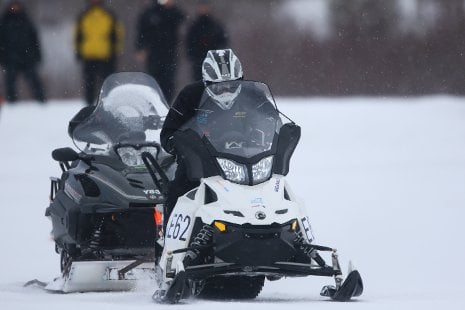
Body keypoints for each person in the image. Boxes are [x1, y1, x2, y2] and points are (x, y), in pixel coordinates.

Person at [160, 49, 243, 226]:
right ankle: (170, 239)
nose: (226, 91)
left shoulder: (252, 95)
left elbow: (269, 122)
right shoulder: (190, 95)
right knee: (178, 192)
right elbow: (168, 133)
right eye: (219, 87)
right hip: (199, 163)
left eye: (232, 85)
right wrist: (182, 146)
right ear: (207, 82)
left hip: (245, 163)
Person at [74, 0, 124, 105]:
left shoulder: (109, 15)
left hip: (107, 55)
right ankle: (89, 106)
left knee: (108, 84)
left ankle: (109, 105)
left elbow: (118, 34)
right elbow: (77, 35)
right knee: (89, 85)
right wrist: (78, 51)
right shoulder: (83, 16)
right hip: (89, 55)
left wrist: (115, 50)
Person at [135, 0, 184, 103]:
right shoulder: (150, 13)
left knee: (169, 82)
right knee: (154, 81)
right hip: (154, 54)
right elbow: (142, 32)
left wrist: (171, 7)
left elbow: (181, 17)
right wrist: (140, 48)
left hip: (170, 54)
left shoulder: (173, 12)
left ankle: (167, 104)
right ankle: (155, 104)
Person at [0, 0, 46, 103]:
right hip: (10, 58)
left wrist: (38, 55)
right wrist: (3, 57)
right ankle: (12, 102)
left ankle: (42, 101)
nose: (15, 8)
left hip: (27, 57)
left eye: (16, 6)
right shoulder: (4, 22)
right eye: (13, 6)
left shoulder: (27, 20)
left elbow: (35, 40)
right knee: (10, 82)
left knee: (35, 81)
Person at [186, 1, 229, 81]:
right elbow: (189, 43)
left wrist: (218, 55)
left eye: (205, 8)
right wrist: (193, 56)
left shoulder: (215, 25)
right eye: (201, 8)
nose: (203, 10)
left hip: (213, 60)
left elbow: (222, 41)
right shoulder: (194, 26)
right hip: (198, 60)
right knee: (198, 82)